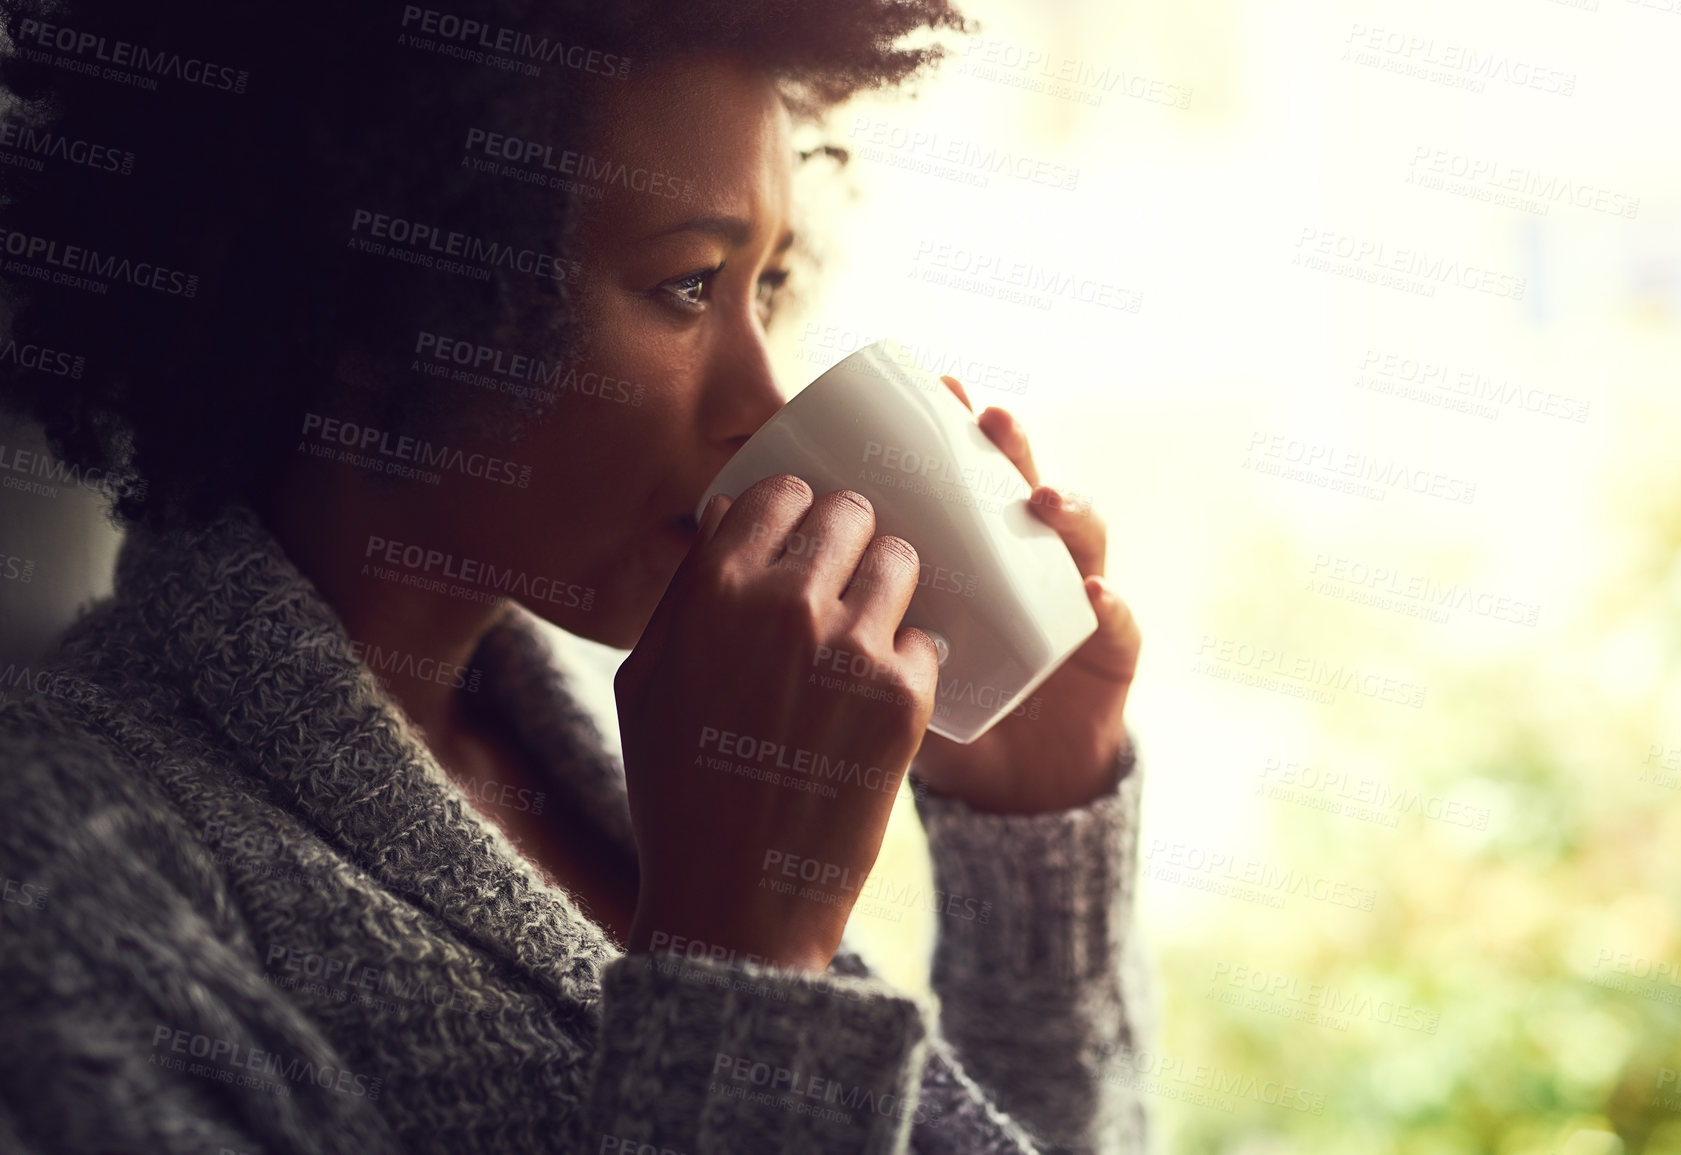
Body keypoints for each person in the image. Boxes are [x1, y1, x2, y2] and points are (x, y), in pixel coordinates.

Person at [0, 0, 1152, 1150]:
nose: (762, 402)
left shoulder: (586, 760)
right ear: (380, 300)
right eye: (690, 284)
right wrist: (742, 966)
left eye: (768, 284)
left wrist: (1031, 831)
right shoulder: (64, 866)